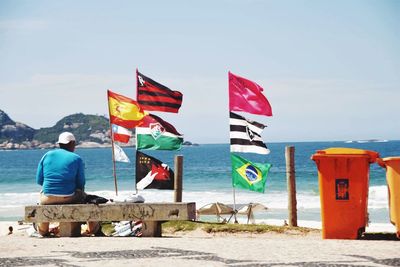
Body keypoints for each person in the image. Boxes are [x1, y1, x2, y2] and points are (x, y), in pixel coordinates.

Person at [35, 132, 101, 236]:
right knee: (87, 198)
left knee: (41, 197)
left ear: (59, 144)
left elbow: (39, 180)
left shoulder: (46, 155)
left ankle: (43, 230)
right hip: (69, 196)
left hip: (47, 198)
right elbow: (81, 183)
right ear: (72, 143)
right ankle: (92, 228)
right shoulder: (76, 158)